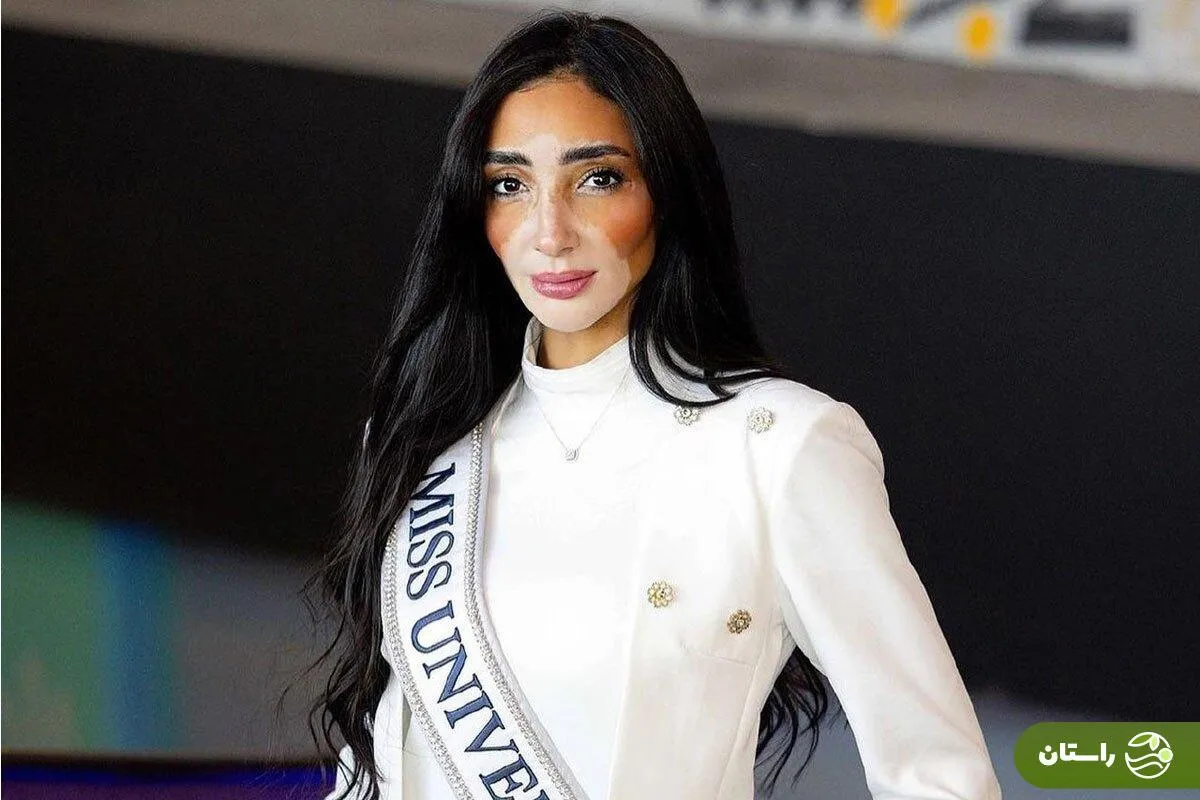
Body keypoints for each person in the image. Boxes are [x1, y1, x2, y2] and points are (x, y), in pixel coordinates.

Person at [313, 9, 1002, 800]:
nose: (550, 232)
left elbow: (940, 776)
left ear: (667, 192)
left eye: (598, 178)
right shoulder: (422, 435)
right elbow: (386, 756)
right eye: (510, 185)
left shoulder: (776, 446)